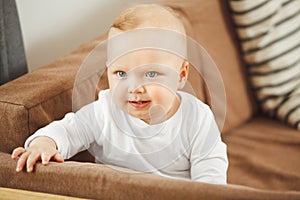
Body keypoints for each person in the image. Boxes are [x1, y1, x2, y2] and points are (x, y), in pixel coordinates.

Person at [11, 4, 228, 184]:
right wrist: (44, 144)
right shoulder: (105, 111)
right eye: (121, 73)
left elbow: (211, 181)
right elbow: (68, 130)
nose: (134, 88)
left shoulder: (198, 118)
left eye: (151, 73)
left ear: (181, 75)